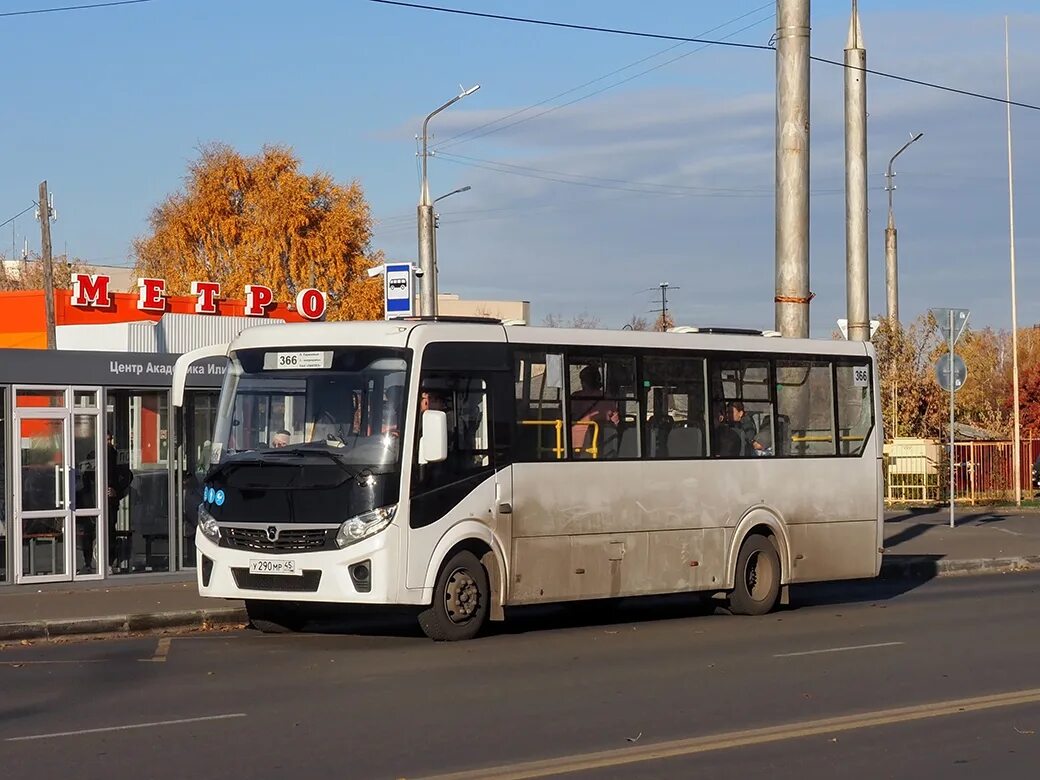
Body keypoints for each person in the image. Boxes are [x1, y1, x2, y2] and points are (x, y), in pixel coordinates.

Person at [570, 365, 619, 456]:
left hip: (575, 443)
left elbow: (563, 414)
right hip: (604, 444)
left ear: (584, 382)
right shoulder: (607, 397)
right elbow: (615, 421)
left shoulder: (575, 397)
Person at [106, 433, 133, 573]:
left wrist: (116, 491)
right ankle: (87, 562)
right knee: (90, 531)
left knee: (110, 531)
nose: (109, 442)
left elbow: (128, 476)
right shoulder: (93, 454)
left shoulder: (116, 456)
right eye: (106, 440)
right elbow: (87, 477)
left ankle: (109, 562)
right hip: (93, 502)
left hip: (111, 502)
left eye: (110, 439)